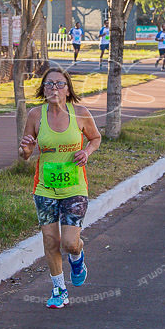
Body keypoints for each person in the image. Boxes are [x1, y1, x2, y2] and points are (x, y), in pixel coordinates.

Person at [18, 67, 102, 308]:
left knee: (69, 242)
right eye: (49, 84)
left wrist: (86, 152)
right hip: (44, 187)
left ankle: (77, 256)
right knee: (50, 240)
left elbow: (95, 138)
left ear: (68, 90)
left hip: (75, 186)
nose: (54, 88)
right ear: (43, 89)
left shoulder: (81, 114)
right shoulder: (36, 115)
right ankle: (59, 288)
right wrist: (24, 148)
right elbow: (24, 153)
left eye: (59, 84)